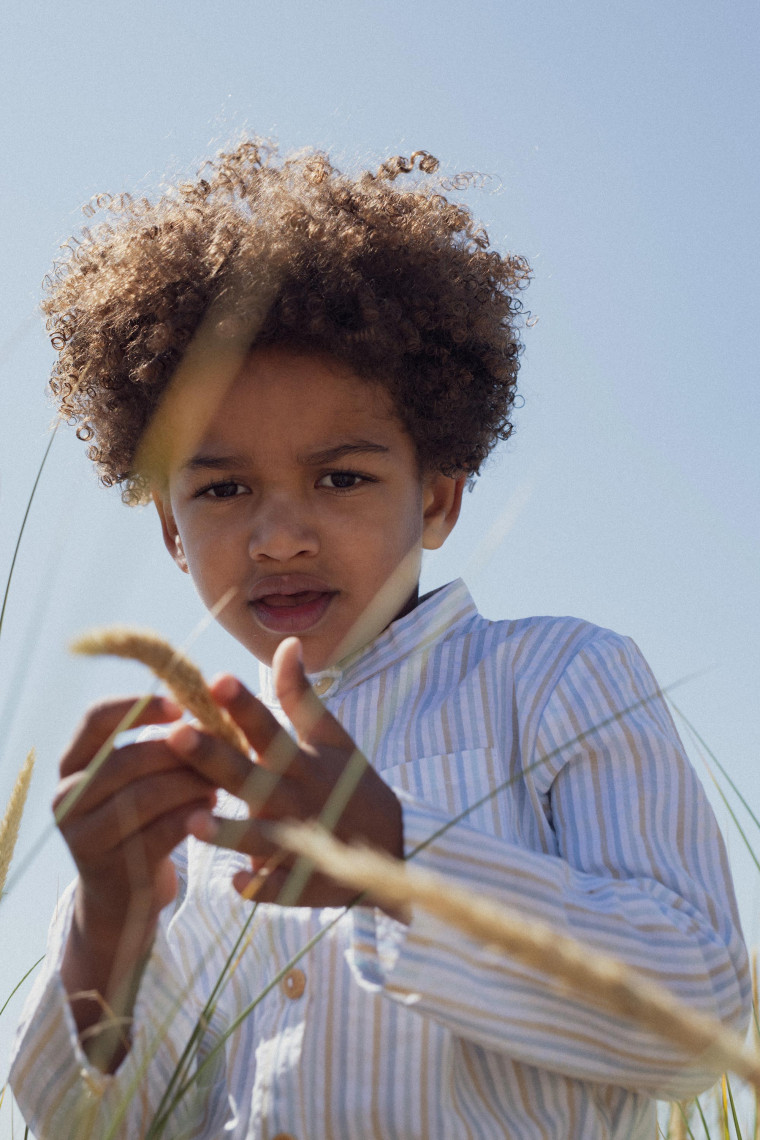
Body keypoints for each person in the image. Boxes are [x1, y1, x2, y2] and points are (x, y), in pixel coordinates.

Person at [11, 140, 750, 1139]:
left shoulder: (560, 677)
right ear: (171, 529)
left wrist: (398, 859)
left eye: (342, 477)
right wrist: (109, 921)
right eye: (223, 489)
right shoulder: (191, 789)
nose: (279, 538)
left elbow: (703, 1018)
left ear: (438, 497)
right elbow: (87, 1121)